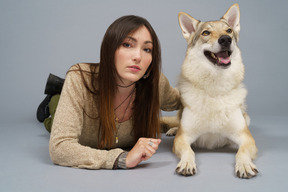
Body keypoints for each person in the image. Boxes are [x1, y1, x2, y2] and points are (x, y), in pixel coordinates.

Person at [37, 15, 180, 170]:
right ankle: (55, 94)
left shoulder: (155, 83)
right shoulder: (79, 77)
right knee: (54, 119)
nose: (138, 57)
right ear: (110, 48)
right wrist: (122, 158)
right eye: (127, 44)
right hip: (77, 99)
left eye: (147, 49)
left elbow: (186, 100)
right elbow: (59, 147)